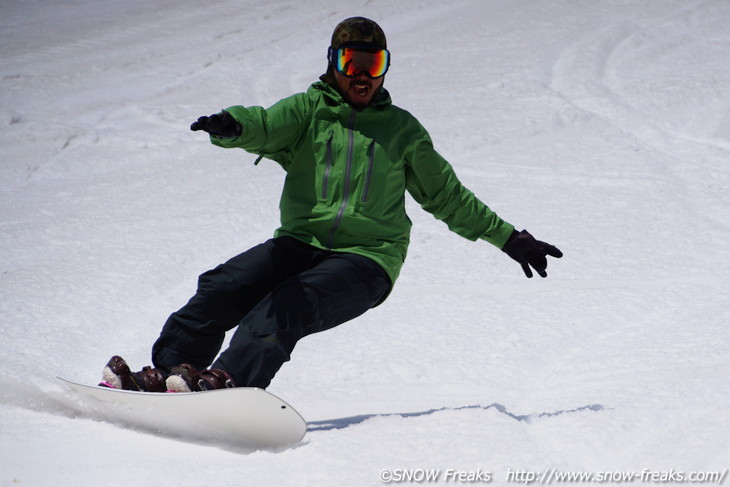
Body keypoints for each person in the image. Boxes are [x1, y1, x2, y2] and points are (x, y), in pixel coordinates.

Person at [101, 17, 562, 393]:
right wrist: (232, 126)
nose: (362, 74)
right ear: (333, 63)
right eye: (351, 61)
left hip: (368, 260)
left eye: (373, 63)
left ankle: (227, 383)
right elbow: (264, 124)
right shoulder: (308, 111)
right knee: (223, 286)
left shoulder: (403, 131)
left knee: (285, 306)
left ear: (384, 68)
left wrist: (509, 238)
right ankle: (171, 375)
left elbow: (446, 196)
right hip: (301, 242)